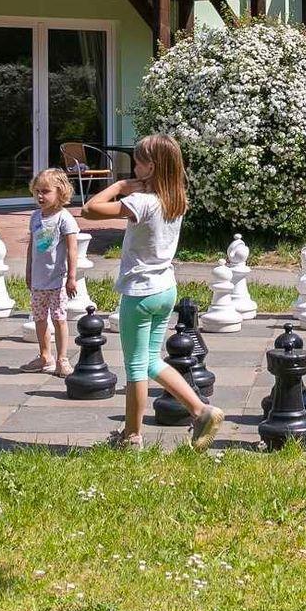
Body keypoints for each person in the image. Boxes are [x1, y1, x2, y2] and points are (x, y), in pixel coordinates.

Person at [83, 134, 223, 449]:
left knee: (136, 367)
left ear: (152, 167)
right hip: (165, 289)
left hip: (140, 293)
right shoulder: (176, 199)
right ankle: (201, 410)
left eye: (138, 163)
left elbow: (89, 209)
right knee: (150, 361)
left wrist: (120, 186)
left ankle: (131, 436)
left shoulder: (142, 202)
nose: (134, 168)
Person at [24, 167, 80, 376]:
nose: (40, 196)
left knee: (59, 319)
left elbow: (72, 249)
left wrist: (72, 277)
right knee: (39, 319)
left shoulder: (64, 218)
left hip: (57, 280)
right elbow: (31, 246)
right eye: (37, 191)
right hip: (39, 280)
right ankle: (44, 355)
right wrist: (28, 271)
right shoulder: (35, 217)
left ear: (60, 192)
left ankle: (62, 359)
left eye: (46, 191)